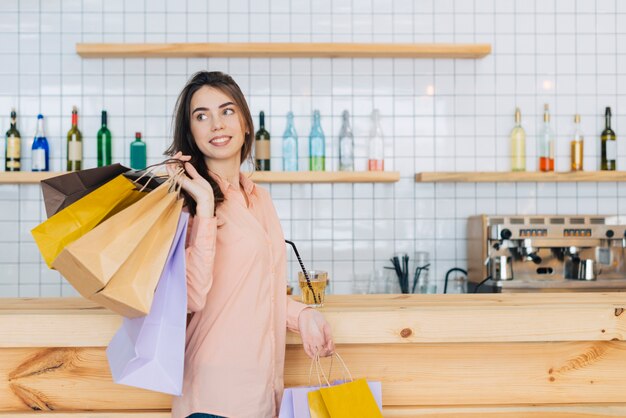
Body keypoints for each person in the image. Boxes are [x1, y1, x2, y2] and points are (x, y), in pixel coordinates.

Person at [166, 71, 335, 418]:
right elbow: (192, 295)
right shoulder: (185, 202)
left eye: (227, 111)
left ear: (245, 123)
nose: (216, 124)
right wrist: (206, 207)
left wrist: (302, 315)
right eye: (202, 116)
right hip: (214, 397)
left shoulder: (260, 198)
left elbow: (260, 288)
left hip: (262, 395)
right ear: (191, 133)